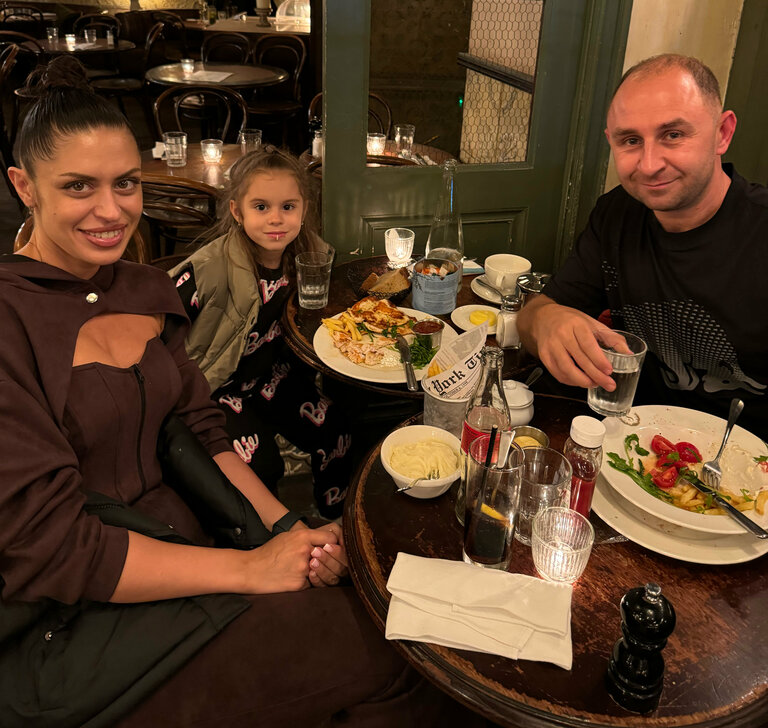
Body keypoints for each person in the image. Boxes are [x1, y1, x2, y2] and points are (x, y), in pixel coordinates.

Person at [0, 56, 461, 728]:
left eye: (125, 183)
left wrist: (287, 529)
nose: (110, 210)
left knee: (392, 617)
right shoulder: (11, 320)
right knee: (390, 656)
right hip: (83, 619)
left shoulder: (144, 290)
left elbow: (201, 429)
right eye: (78, 186)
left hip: (199, 544)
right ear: (24, 186)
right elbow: (57, 550)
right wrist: (251, 571)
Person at [517, 53, 768, 437]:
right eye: (631, 141)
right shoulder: (617, 213)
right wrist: (546, 320)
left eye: (673, 135)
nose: (649, 165)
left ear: (722, 133)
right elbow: (533, 315)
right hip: (630, 444)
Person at [169, 147, 353, 520]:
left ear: (304, 210)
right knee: (262, 462)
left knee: (337, 427)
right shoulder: (210, 268)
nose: (276, 219)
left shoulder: (311, 257)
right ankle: (265, 536)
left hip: (272, 378)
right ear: (237, 212)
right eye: (261, 207)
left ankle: (335, 521)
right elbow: (161, 320)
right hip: (217, 389)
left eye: (288, 207)